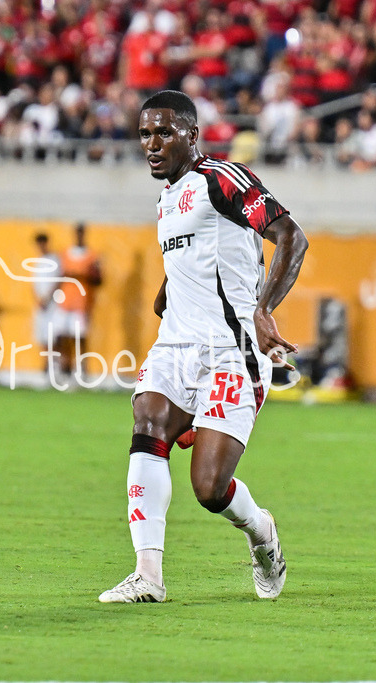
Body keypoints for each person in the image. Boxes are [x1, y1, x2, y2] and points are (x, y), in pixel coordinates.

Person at [99, 90, 307, 603]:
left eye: (164, 132)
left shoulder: (222, 178)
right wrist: (167, 291)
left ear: (191, 135)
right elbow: (195, 256)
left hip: (232, 350)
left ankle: (262, 533)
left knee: (210, 489)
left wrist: (263, 309)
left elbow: (291, 237)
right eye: (145, 134)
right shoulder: (167, 197)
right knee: (148, 422)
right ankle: (148, 575)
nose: (152, 144)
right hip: (176, 345)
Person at [56, 222, 102, 377]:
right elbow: (59, 276)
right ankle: (64, 366)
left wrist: (83, 275)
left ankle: (82, 368)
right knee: (61, 336)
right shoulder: (65, 253)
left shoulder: (91, 256)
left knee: (80, 337)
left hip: (81, 302)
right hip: (65, 302)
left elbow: (98, 280)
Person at [31, 232, 61, 366]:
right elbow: (34, 284)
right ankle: (46, 364)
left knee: (53, 335)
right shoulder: (37, 262)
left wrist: (47, 298)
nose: (41, 246)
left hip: (53, 304)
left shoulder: (54, 260)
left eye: (42, 243)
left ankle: (56, 364)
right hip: (40, 305)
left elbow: (57, 281)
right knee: (41, 335)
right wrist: (38, 300)